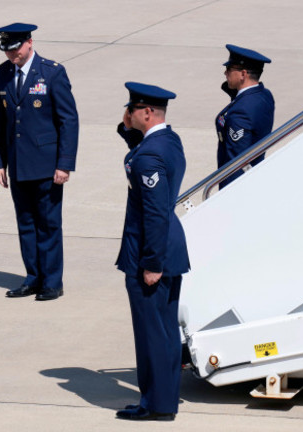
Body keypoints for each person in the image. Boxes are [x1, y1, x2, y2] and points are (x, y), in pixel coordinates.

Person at [114, 82, 190, 422]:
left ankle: (156, 404)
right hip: (169, 247)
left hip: (151, 252)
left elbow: (155, 212)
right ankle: (163, 397)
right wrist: (127, 127)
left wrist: (151, 263)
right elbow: (138, 146)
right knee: (164, 329)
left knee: (151, 334)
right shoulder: (168, 141)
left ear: (145, 112)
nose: (128, 114)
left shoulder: (147, 157)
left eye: (132, 109)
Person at [0, 23, 79, 301]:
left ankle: (52, 281)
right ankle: (33, 277)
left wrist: (64, 164)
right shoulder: (3, 73)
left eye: (15, 48)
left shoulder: (52, 72)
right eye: (7, 50)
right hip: (17, 163)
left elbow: (68, 120)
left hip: (46, 164)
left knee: (49, 223)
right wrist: (0, 161)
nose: (12, 55)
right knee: (26, 223)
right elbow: (1, 120)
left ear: (29, 42)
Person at [216, 44, 275, 189]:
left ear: (243, 74)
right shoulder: (264, 95)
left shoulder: (240, 112)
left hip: (236, 187)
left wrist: (227, 193)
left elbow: (236, 162)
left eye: (229, 69)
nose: (225, 73)